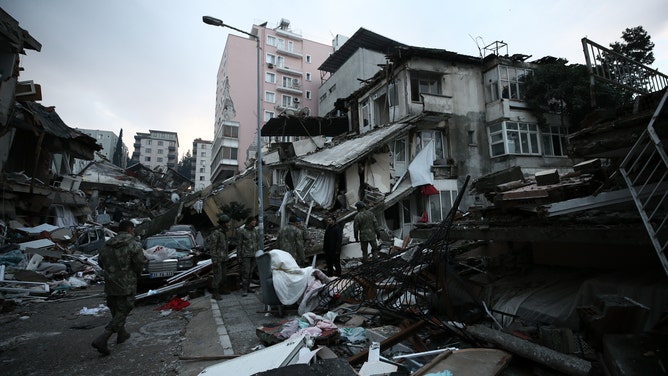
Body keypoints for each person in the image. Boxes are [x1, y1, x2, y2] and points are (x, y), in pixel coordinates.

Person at [92, 220, 146, 356]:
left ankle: (121, 334)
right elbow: (139, 263)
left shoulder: (107, 244)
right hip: (127, 283)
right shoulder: (133, 244)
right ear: (129, 229)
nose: (133, 232)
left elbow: (100, 262)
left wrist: (111, 272)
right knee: (124, 309)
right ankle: (103, 337)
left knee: (115, 307)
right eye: (132, 229)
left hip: (111, 283)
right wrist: (135, 274)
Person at [206, 214, 231, 300]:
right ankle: (215, 293)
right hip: (217, 259)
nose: (229, 224)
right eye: (227, 223)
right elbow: (213, 247)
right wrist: (214, 259)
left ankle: (222, 290)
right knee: (217, 276)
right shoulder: (216, 233)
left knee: (223, 275)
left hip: (223, 258)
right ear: (223, 223)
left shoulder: (223, 232)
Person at [236, 216, 259, 297]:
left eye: (255, 221)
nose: (255, 222)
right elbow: (239, 244)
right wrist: (239, 256)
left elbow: (257, 242)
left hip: (254, 254)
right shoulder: (242, 231)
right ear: (249, 222)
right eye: (253, 221)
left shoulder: (255, 231)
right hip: (246, 255)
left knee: (251, 272)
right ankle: (244, 289)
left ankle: (249, 287)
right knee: (245, 272)